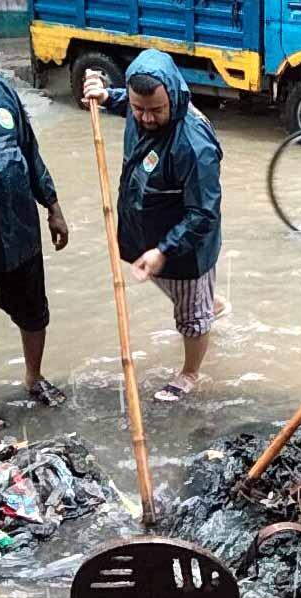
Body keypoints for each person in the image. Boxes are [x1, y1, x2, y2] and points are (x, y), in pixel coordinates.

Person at [82, 50, 226, 403]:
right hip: (147, 232)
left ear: (174, 97)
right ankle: (212, 303)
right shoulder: (141, 109)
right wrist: (106, 97)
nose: (146, 118)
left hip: (184, 245)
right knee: (180, 293)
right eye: (138, 108)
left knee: (190, 318)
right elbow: (129, 105)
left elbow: (204, 214)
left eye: (155, 110)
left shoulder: (193, 145)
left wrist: (164, 250)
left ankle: (191, 371)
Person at [0, 11, 70, 432]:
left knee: (35, 313)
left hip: (20, 233)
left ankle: (34, 377)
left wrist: (53, 207)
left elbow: (30, 151)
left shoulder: (3, 93)